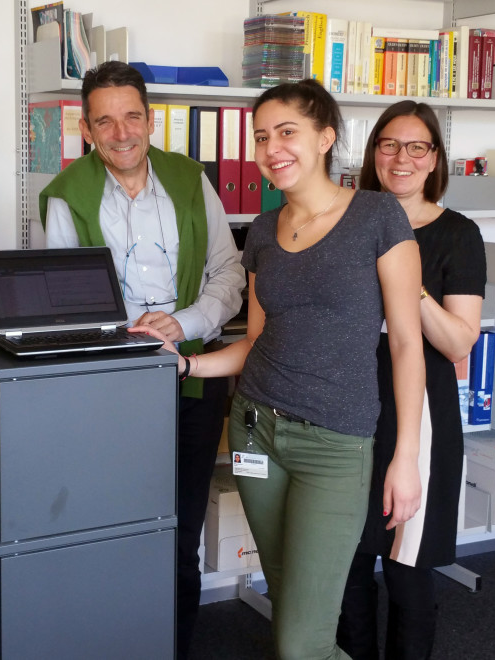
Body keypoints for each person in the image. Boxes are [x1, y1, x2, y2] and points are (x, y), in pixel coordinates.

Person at [133, 79, 427, 659]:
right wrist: (185, 364)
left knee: (300, 644)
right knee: (291, 610)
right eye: (262, 137)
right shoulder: (264, 231)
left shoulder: (376, 215)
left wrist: (406, 457)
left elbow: (406, 346)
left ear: (325, 137)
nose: (272, 149)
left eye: (286, 132)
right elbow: (258, 343)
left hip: (335, 446)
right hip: (255, 432)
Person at [39, 60, 247, 659]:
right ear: (86, 129)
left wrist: (184, 324)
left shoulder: (189, 180)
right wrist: (119, 332)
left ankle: (173, 646)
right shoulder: (66, 196)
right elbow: (60, 301)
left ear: (150, 120)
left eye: (132, 116)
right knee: (110, 528)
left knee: (180, 532)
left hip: (192, 377)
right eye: (105, 121)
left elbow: (229, 273)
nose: (121, 132)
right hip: (107, 388)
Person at [337, 101, 486, 660]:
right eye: (389, 145)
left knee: (408, 566)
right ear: (373, 154)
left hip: (420, 413)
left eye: (416, 147)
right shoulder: (345, 218)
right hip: (347, 401)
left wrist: (406, 279)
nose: (401, 158)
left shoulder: (457, 233)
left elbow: (457, 342)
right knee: (347, 564)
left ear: (435, 160)